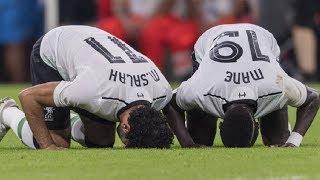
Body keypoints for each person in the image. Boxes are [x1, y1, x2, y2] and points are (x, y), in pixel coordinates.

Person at [0, 25, 174, 150]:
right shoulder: (93, 91)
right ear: (126, 127)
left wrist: (188, 141)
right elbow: (28, 97)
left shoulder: (161, 91)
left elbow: (171, 109)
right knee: (58, 141)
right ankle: (6, 111)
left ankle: (68, 118)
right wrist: (47, 146)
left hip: (90, 41)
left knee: (102, 142)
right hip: (54, 47)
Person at [167, 24, 320, 148]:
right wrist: (188, 143)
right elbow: (171, 103)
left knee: (277, 140)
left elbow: (314, 98)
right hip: (211, 39)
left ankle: (276, 112)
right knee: (200, 139)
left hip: (260, 38)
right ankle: (275, 112)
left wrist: (293, 141)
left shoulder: (275, 85)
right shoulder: (203, 89)